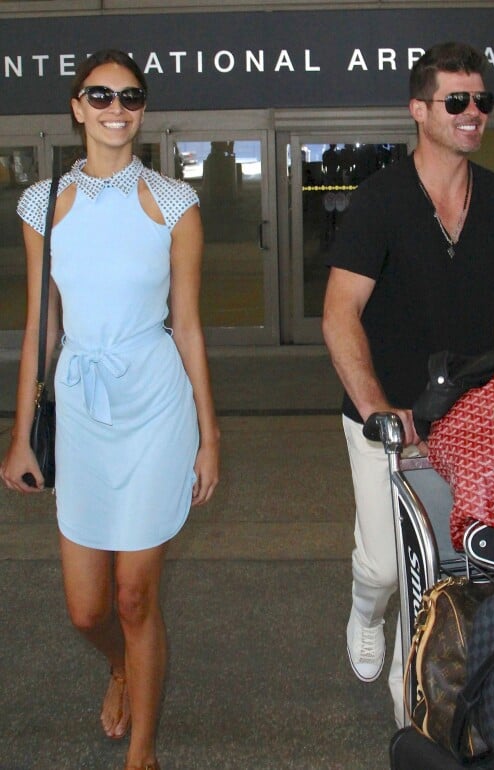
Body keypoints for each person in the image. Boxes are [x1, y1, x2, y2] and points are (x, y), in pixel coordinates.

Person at [322, 41, 494, 727]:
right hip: (384, 414)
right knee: (388, 569)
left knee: (449, 571)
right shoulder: (380, 201)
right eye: (457, 101)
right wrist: (378, 411)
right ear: (419, 111)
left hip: (471, 416)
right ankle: (366, 609)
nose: (473, 112)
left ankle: (414, 721)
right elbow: (340, 314)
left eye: (481, 101)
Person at [0, 49, 220, 770]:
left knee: (133, 598)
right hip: (85, 410)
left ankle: (145, 751)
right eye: (99, 96)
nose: (115, 108)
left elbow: (187, 325)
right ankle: (121, 665)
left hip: (156, 406)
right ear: (76, 107)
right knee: (87, 610)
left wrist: (209, 436)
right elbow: (42, 325)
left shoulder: (174, 202)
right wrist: (20, 435)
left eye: (129, 96)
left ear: (143, 109)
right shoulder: (43, 203)